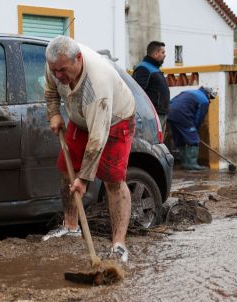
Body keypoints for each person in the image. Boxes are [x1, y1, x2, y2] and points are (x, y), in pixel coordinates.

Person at [40, 35, 136, 263]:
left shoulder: (97, 84)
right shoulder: (54, 64)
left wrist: (84, 179)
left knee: (113, 180)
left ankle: (119, 245)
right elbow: (51, 92)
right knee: (66, 169)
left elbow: (97, 139)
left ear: (78, 59)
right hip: (81, 118)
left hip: (114, 121)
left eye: (63, 70)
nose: (58, 75)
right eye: (55, 70)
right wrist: (53, 113)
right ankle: (71, 226)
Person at [166, 86, 216, 171]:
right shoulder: (204, 100)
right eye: (210, 98)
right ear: (208, 94)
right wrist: (194, 130)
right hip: (182, 114)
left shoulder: (187, 92)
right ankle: (192, 164)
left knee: (179, 138)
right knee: (193, 140)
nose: (210, 100)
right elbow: (198, 117)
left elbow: (172, 101)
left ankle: (184, 163)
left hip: (169, 112)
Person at [132, 41, 170, 133]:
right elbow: (137, 93)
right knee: (153, 143)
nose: (165, 55)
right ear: (156, 54)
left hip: (161, 114)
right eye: (163, 52)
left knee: (159, 143)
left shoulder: (154, 68)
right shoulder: (143, 69)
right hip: (152, 115)